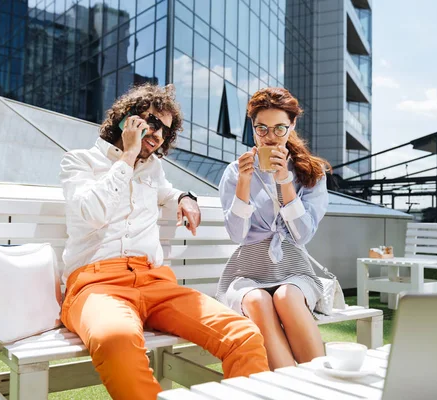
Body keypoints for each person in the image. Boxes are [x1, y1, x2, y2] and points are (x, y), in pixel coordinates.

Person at [59, 83, 269, 400]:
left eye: (165, 132)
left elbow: (165, 192)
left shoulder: (153, 169)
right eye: (152, 123)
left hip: (155, 281)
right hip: (95, 285)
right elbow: (92, 213)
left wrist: (186, 198)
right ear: (126, 119)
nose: (158, 136)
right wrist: (127, 155)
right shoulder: (79, 162)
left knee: (243, 334)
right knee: (116, 338)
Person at [215, 87, 331, 370]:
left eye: (279, 128)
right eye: (262, 128)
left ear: (292, 126)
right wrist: (244, 181)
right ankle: (291, 390)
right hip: (248, 272)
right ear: (253, 129)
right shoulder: (235, 171)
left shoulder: (311, 173)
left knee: (287, 296)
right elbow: (236, 236)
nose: (270, 136)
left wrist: (285, 181)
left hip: (294, 270)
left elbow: (302, 235)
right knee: (257, 301)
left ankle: (319, 387)